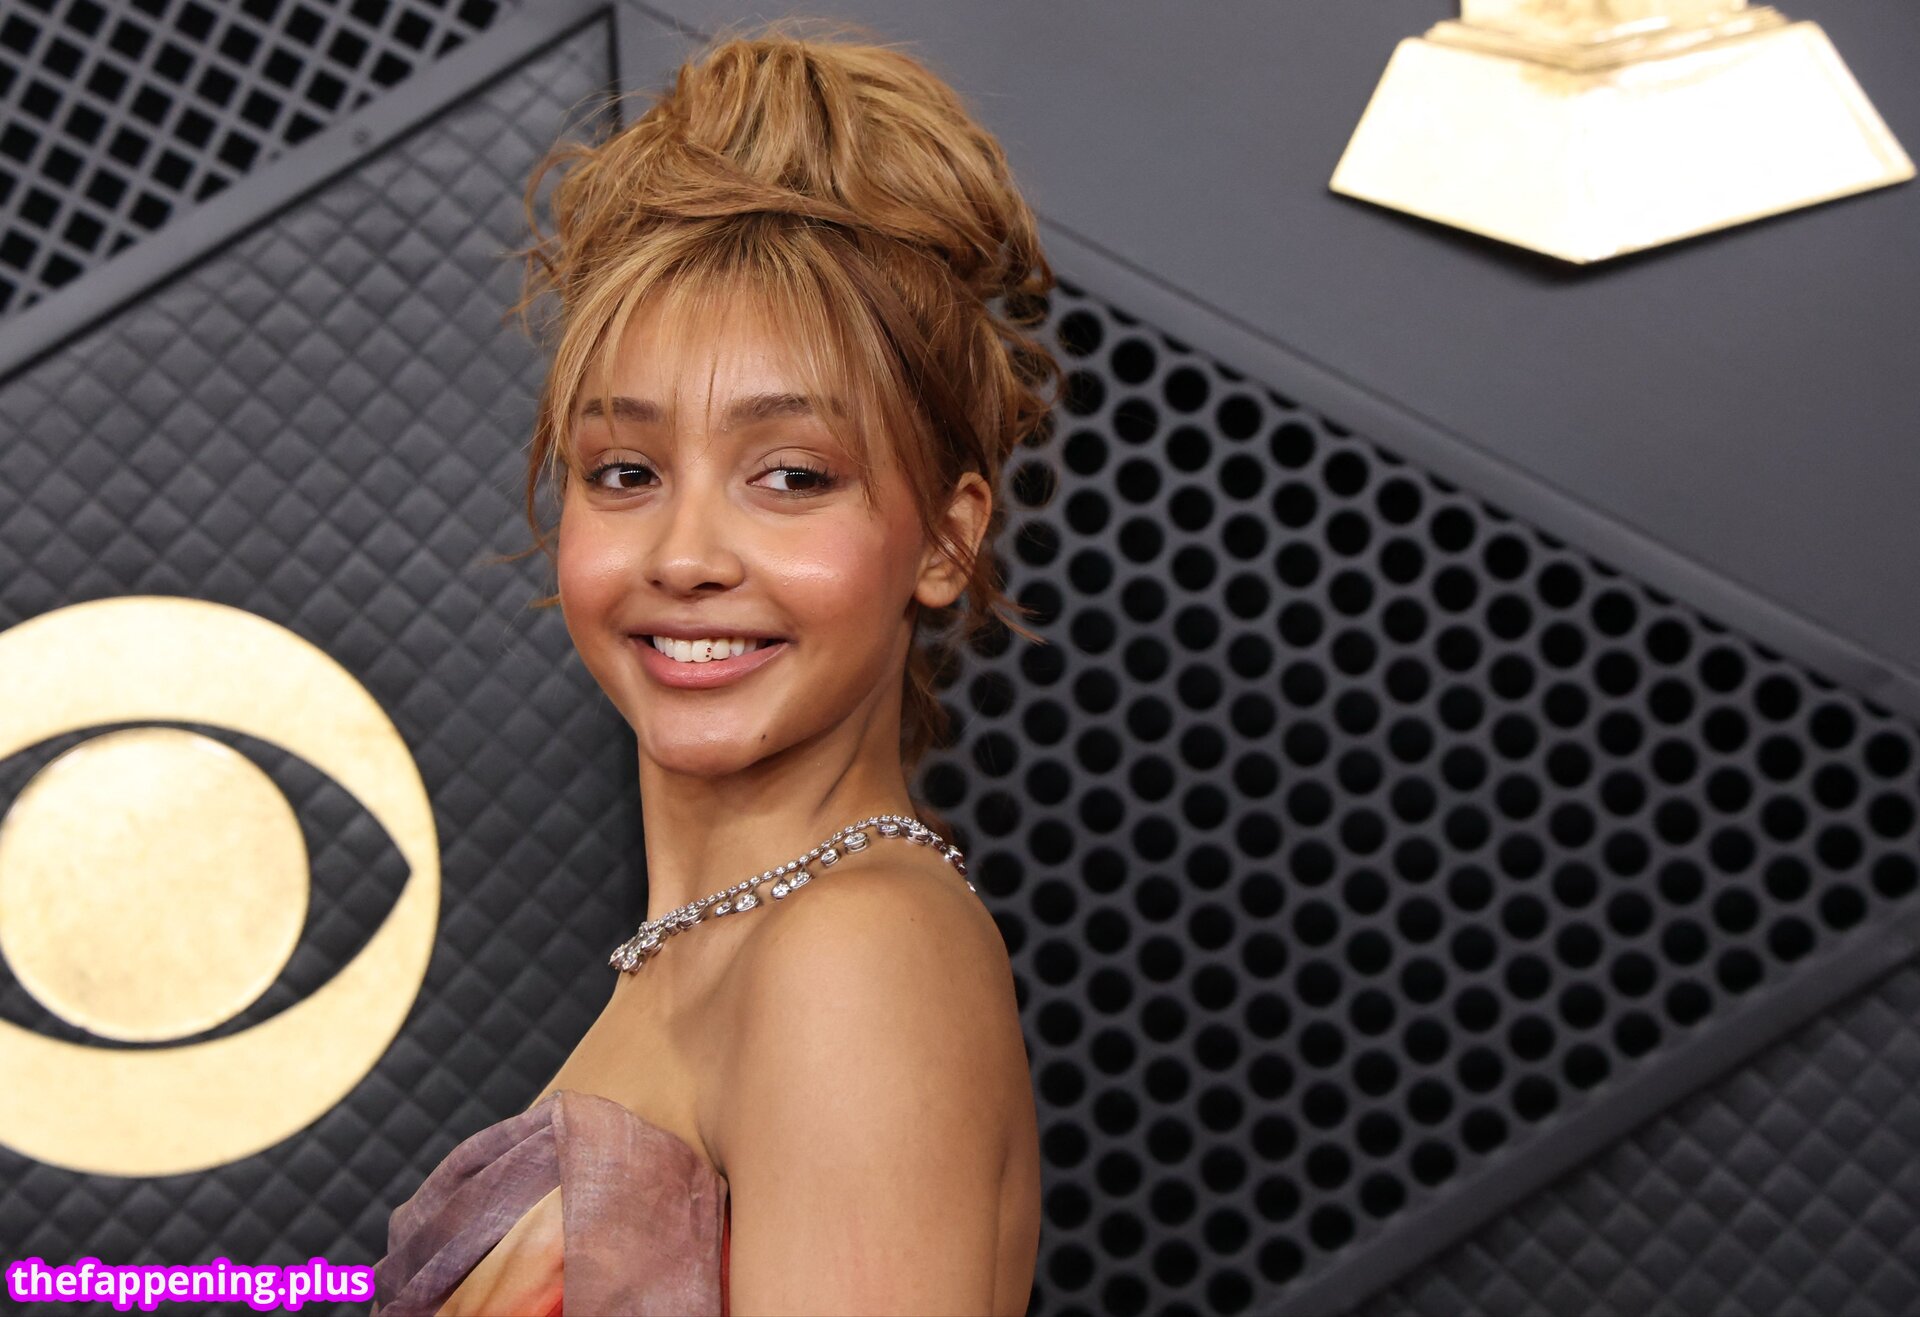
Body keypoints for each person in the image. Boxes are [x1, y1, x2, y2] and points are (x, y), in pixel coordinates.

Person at [371, 17, 1062, 1316]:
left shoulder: (851, 958)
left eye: (791, 476)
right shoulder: (711, 952)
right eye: (626, 471)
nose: (686, 555)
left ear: (945, 538)